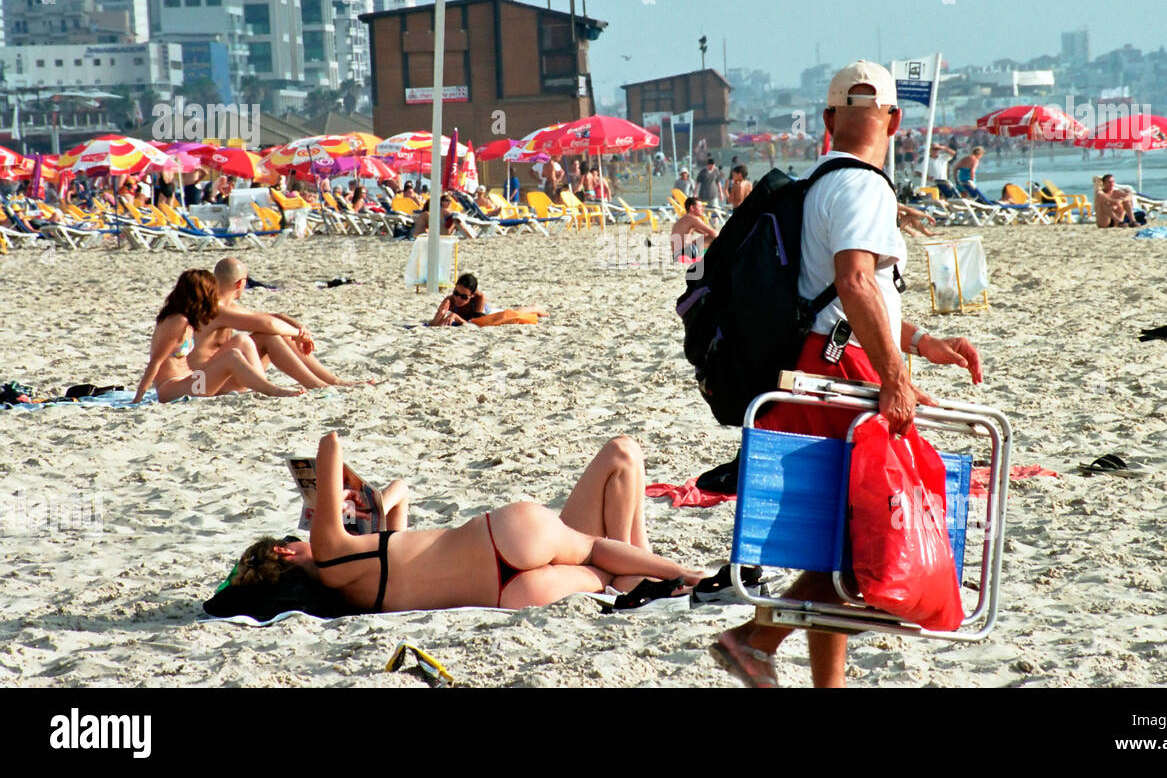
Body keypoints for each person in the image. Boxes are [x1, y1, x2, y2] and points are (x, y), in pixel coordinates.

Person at [712, 60, 982, 689]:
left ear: (828, 120)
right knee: (870, 540)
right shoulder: (866, 187)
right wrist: (894, 374)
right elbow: (855, 282)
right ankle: (752, 640)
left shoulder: (821, 183)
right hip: (841, 366)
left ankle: (804, 673)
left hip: (816, 357)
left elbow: (847, 299)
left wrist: (920, 342)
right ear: (896, 119)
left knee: (840, 538)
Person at [230, 432, 704, 613]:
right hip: (506, 537)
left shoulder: (347, 588)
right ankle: (688, 574)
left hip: (512, 596)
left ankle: (656, 575)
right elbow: (328, 446)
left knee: (607, 573)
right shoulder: (329, 549)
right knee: (621, 459)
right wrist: (324, 497)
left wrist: (373, 499)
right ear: (284, 552)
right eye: (296, 540)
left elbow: (399, 505)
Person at [132, 270, 301, 403]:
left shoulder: (185, 317)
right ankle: (272, 390)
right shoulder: (177, 321)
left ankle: (262, 386)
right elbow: (155, 361)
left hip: (190, 379)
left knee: (242, 341)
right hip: (172, 389)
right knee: (232, 357)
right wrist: (138, 398)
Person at [197, 257, 357, 390]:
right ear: (240, 284)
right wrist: (298, 334)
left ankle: (331, 381)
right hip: (210, 383)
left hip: (221, 374)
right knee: (269, 335)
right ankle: (317, 385)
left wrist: (299, 327)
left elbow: (270, 317)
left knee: (272, 333)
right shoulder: (215, 309)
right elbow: (269, 324)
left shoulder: (226, 306)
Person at [427, 273, 548, 326]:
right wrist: (440, 315)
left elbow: (477, 324)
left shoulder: (479, 298)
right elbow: (433, 325)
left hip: (486, 314)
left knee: (513, 313)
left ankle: (534, 308)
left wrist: (456, 317)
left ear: (472, 295)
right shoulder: (450, 300)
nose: (458, 298)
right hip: (471, 319)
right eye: (456, 293)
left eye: (464, 297)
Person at [669, 196, 719, 261]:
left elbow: (706, 233)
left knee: (707, 236)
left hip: (676, 255)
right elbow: (714, 234)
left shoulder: (684, 219)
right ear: (692, 208)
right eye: (700, 207)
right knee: (711, 238)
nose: (702, 209)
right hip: (685, 254)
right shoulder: (693, 219)